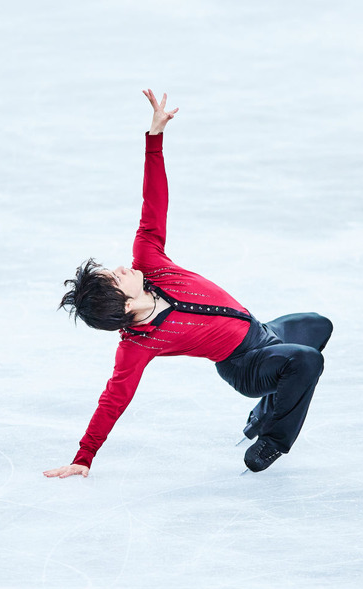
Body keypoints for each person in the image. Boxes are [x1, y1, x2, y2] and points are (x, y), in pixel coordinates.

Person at [43, 89, 333, 480]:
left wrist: (155, 138)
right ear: (123, 305)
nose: (121, 268)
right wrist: (84, 456)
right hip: (245, 364)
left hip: (264, 332)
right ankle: (272, 439)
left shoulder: (150, 262)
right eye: (116, 278)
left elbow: (153, 201)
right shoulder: (138, 344)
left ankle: (264, 411)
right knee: (306, 360)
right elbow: (113, 400)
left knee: (318, 325)